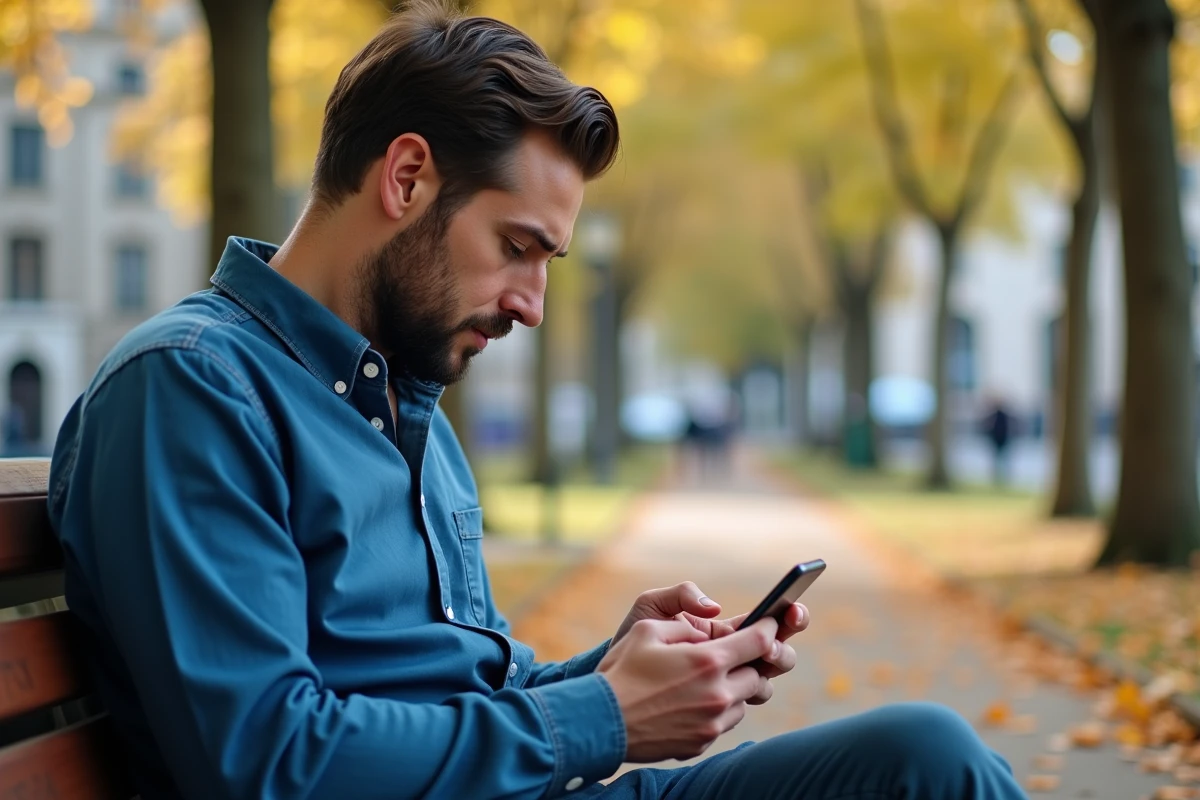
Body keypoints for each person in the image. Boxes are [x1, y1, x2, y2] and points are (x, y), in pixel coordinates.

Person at [46, 3, 1027, 798]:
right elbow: (265, 759)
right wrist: (607, 717)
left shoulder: (406, 402)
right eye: (517, 246)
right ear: (407, 176)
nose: (532, 302)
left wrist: (624, 670)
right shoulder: (192, 387)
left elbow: (469, 694)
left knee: (922, 754)